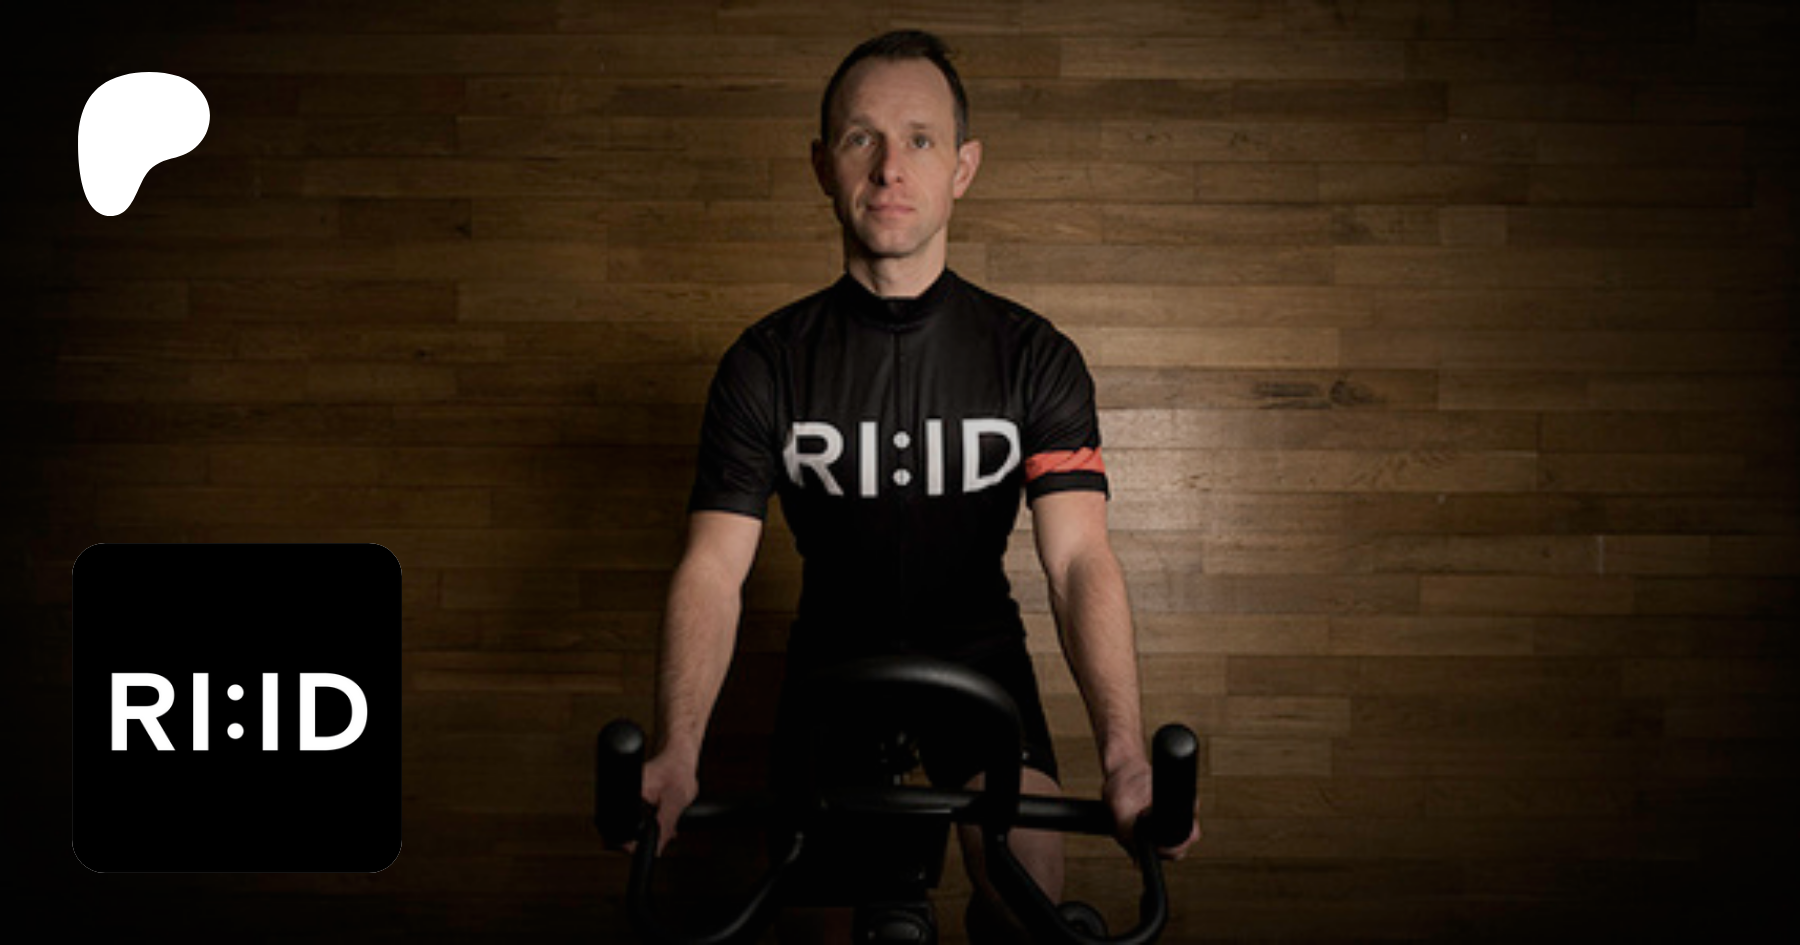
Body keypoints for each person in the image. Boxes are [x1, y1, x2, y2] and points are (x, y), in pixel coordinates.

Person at [633, 29, 1200, 944]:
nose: (890, 167)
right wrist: (677, 750)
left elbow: (1077, 561)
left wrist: (1127, 757)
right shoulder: (765, 364)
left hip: (980, 665)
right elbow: (713, 568)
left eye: (921, 139)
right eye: (862, 137)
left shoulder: (1034, 356)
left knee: (1027, 899)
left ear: (963, 167)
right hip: (831, 672)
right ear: (823, 165)